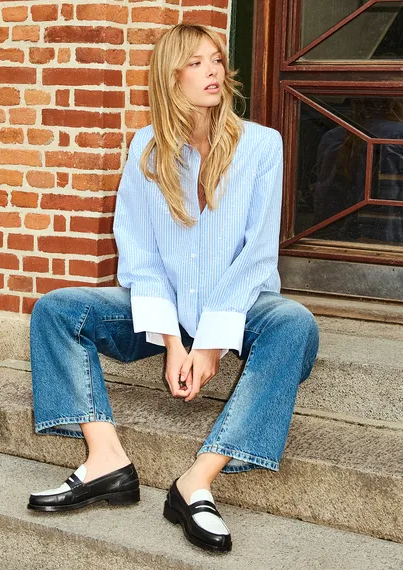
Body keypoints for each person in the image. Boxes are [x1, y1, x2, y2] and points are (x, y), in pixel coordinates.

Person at [27, 23, 319, 554]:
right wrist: (172, 342)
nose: (212, 72)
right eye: (195, 62)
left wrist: (209, 342)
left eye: (216, 60)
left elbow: (257, 256)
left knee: (295, 324)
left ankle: (196, 481)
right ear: (170, 77)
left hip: (240, 309)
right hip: (165, 314)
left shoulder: (261, 145)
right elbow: (138, 255)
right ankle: (105, 460)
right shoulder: (146, 148)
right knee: (56, 310)